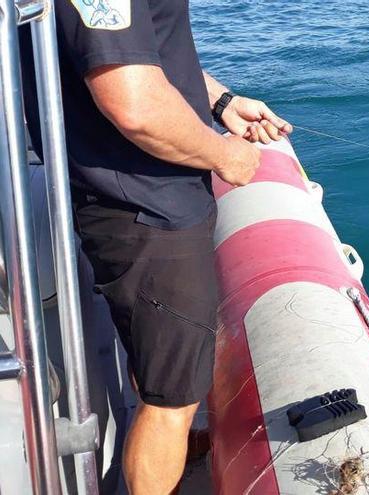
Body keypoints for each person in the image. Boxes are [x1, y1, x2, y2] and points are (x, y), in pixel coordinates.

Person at [19, 0, 292, 492]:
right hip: (146, 209)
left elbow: (144, 51)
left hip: (149, 197)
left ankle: (171, 441)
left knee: (162, 369)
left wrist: (222, 102)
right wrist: (227, 156)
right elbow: (134, 103)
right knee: (173, 401)